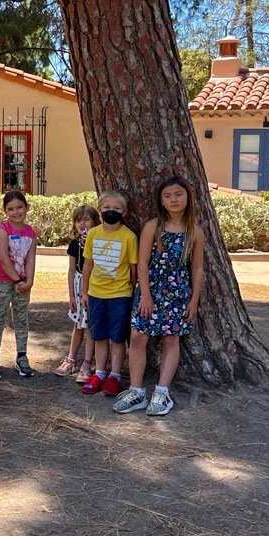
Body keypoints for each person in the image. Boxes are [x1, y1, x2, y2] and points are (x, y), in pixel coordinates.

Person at [114, 177, 203, 417]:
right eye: (168, 196)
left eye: (178, 194)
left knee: (170, 340)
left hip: (177, 293)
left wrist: (193, 300)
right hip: (150, 290)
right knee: (137, 336)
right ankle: (136, 390)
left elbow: (196, 268)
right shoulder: (153, 226)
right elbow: (142, 262)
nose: (174, 200)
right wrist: (145, 295)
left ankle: (162, 392)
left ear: (187, 197)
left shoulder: (195, 231)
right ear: (161, 201)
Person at [80, 192, 138, 397]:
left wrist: (130, 290)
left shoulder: (129, 237)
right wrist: (84, 292)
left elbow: (133, 268)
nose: (111, 211)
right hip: (96, 294)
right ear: (99, 210)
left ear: (124, 212)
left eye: (116, 208)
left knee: (118, 337)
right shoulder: (93, 234)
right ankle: (100, 372)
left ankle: (115, 375)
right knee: (99, 335)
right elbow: (87, 264)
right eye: (106, 207)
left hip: (119, 295)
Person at [0, 190, 38, 380]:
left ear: (26, 208)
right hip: (2, 281)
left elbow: (31, 258)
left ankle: (22, 356)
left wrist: (29, 281)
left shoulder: (31, 232)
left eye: (19, 208)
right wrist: (16, 280)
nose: (16, 212)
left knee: (21, 319)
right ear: (5, 211)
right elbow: (3, 257)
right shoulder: (2, 230)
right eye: (11, 209)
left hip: (22, 283)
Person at [55, 205, 101, 383]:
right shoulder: (74, 244)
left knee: (91, 326)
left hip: (95, 285)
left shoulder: (99, 240)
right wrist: (72, 296)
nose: (83, 223)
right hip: (78, 283)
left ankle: (87, 363)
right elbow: (71, 270)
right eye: (79, 220)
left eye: (87, 219)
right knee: (78, 325)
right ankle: (71, 358)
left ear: (95, 221)